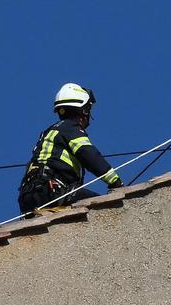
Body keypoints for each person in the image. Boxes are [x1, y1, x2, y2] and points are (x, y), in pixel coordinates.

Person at [18, 83, 123, 214]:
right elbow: (88, 154)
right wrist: (115, 182)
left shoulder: (50, 132)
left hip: (28, 197)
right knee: (106, 210)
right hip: (53, 191)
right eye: (88, 110)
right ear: (83, 110)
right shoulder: (71, 128)